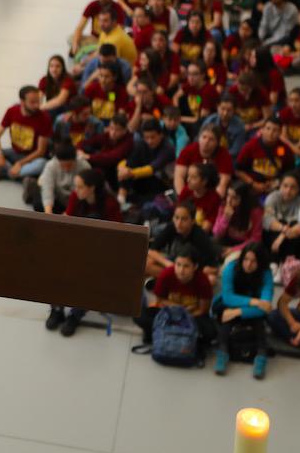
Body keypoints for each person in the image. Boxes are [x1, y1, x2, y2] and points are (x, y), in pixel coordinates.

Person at [46, 168, 122, 336]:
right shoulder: (75, 197)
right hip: (77, 243)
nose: (76, 190)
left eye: (80, 187)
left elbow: (119, 235)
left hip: (101, 249)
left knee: (89, 276)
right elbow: (68, 223)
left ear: (92, 187)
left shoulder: (110, 204)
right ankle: (57, 309)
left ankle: (75, 314)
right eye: (76, 186)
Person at [135, 250, 216, 356]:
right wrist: (179, 309)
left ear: (195, 266)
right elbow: (160, 300)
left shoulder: (203, 280)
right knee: (139, 315)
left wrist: (185, 315)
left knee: (211, 331)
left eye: (186, 266)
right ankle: (155, 332)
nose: (181, 270)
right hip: (168, 312)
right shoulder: (166, 274)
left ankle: (190, 340)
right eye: (178, 265)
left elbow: (202, 309)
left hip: (191, 315)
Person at [212, 244, 273, 378]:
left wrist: (238, 312)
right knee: (226, 320)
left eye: (254, 261)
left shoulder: (266, 273)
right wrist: (254, 302)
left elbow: (266, 307)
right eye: (246, 259)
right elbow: (228, 298)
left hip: (249, 311)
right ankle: (223, 352)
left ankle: (261, 356)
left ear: (261, 262)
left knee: (258, 323)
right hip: (233, 304)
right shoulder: (231, 269)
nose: (248, 264)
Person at [0, 85, 51, 182]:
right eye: (32, 102)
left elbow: (40, 151)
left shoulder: (44, 118)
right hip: (14, 152)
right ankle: (17, 175)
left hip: (31, 157)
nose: (37, 105)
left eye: (38, 101)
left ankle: (3, 173)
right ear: (22, 102)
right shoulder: (12, 111)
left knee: (42, 164)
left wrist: (20, 163)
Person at [146, 201, 222, 282]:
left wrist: (191, 271)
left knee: (211, 279)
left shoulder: (199, 236)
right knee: (147, 263)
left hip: (192, 270)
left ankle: (169, 281)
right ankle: (171, 282)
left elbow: (213, 267)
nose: (178, 223)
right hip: (174, 264)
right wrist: (169, 264)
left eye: (184, 219)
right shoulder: (172, 227)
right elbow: (151, 250)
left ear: (192, 221)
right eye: (176, 217)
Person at [261, 172, 300, 265]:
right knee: (280, 222)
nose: (288, 190)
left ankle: (282, 265)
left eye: (293, 187)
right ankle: (277, 264)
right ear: (280, 186)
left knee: (294, 224)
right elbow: (267, 220)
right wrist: (283, 228)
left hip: (292, 241)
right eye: (285, 186)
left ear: (299, 189)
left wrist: (282, 236)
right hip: (273, 239)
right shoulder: (272, 197)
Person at [26, 139, 89, 212]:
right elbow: (48, 189)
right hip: (58, 197)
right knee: (38, 203)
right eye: (62, 166)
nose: (66, 169)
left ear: (75, 159)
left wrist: (68, 212)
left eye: (69, 165)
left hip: (76, 200)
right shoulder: (51, 165)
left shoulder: (84, 166)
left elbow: (85, 192)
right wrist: (48, 213)